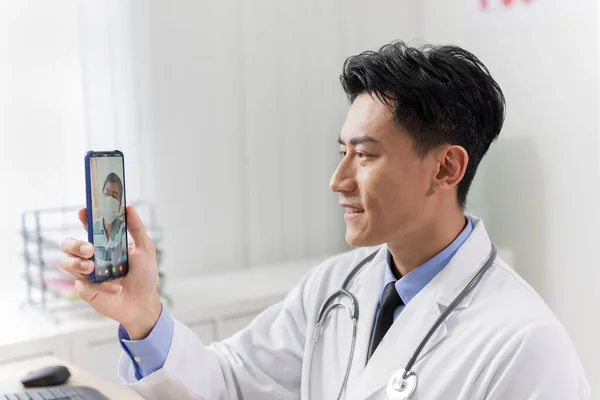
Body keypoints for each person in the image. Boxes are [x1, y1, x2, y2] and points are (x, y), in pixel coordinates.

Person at [59, 41, 590, 399]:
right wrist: (142, 313)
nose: (337, 180)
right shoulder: (335, 288)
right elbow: (226, 385)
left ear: (446, 168)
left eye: (364, 155)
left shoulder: (525, 344)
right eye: (342, 151)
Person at [92, 172, 127, 270]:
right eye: (107, 194)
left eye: (114, 196)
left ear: (120, 205)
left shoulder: (123, 229)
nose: (109, 200)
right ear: (102, 198)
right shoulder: (94, 227)